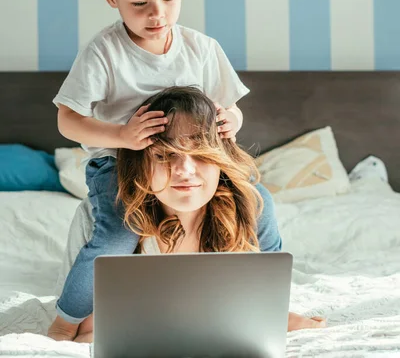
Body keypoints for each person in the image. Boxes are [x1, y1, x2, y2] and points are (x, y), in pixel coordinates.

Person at [48, 0, 268, 339]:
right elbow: (67, 118)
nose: (157, 14)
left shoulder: (202, 49)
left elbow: (234, 107)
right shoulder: (104, 53)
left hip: (190, 160)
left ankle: (267, 305)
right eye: (139, 3)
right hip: (120, 161)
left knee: (257, 202)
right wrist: (122, 136)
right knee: (118, 233)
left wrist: (230, 120)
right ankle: (66, 320)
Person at [50, 87, 326, 343]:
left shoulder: (253, 206)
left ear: (221, 159)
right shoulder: (98, 217)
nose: (184, 170)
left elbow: (268, 299)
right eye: (163, 156)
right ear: (140, 165)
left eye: (201, 154)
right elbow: (86, 331)